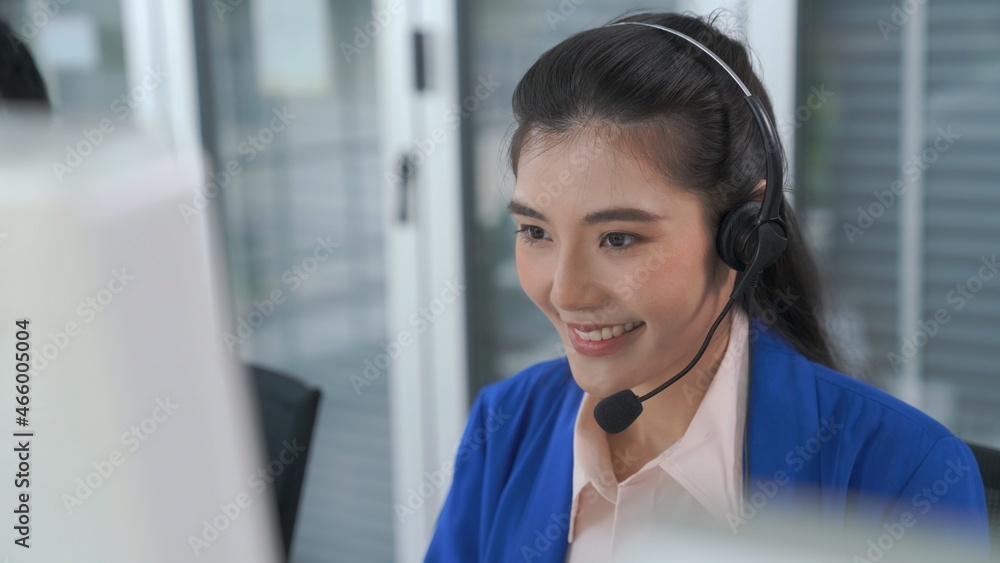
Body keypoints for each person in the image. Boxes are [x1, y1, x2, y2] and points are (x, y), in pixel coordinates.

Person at [424, 11, 988, 562]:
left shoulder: (905, 474)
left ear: (744, 236)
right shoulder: (506, 423)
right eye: (535, 231)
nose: (567, 292)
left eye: (619, 239)